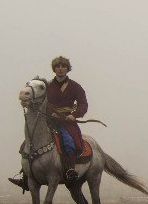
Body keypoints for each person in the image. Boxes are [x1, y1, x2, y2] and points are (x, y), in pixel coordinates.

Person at [8, 56, 88, 190]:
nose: (60, 69)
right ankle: (25, 176)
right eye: (57, 66)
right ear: (54, 69)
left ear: (68, 69)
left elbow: (83, 104)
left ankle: (69, 170)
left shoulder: (75, 87)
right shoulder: (47, 86)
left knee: (69, 142)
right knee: (27, 145)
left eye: (63, 66)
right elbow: (38, 101)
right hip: (48, 121)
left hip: (66, 123)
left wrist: (74, 115)